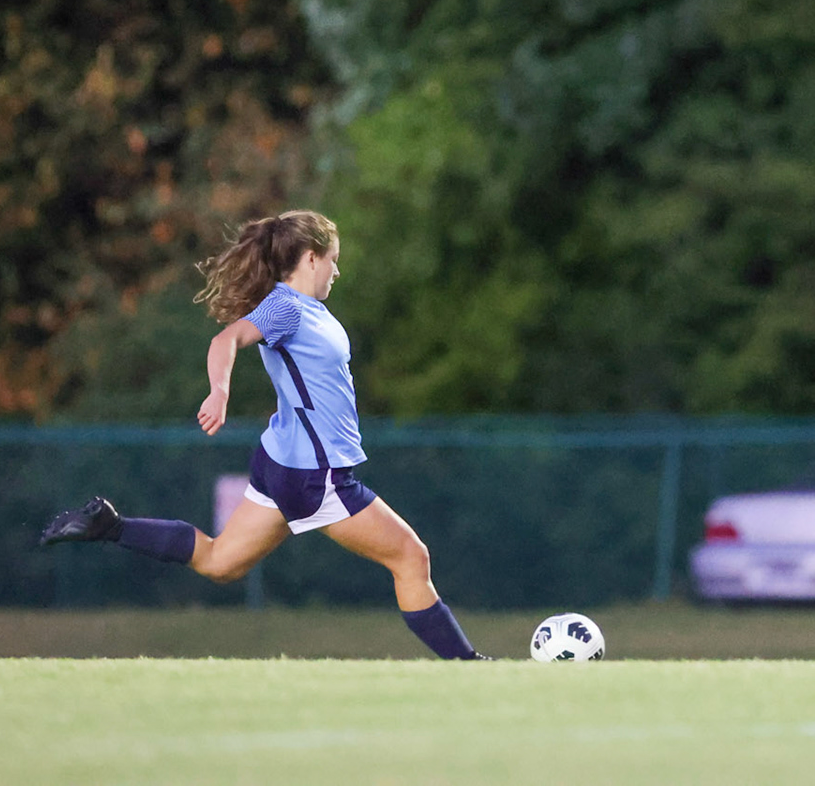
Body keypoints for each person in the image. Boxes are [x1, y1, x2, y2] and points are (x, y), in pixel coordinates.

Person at [39, 210, 488, 660]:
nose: (337, 268)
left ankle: (109, 526)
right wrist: (219, 392)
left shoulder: (306, 309)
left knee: (219, 563)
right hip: (317, 475)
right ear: (311, 258)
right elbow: (226, 341)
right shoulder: (286, 307)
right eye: (333, 258)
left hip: (282, 463)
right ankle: (470, 668)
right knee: (411, 557)